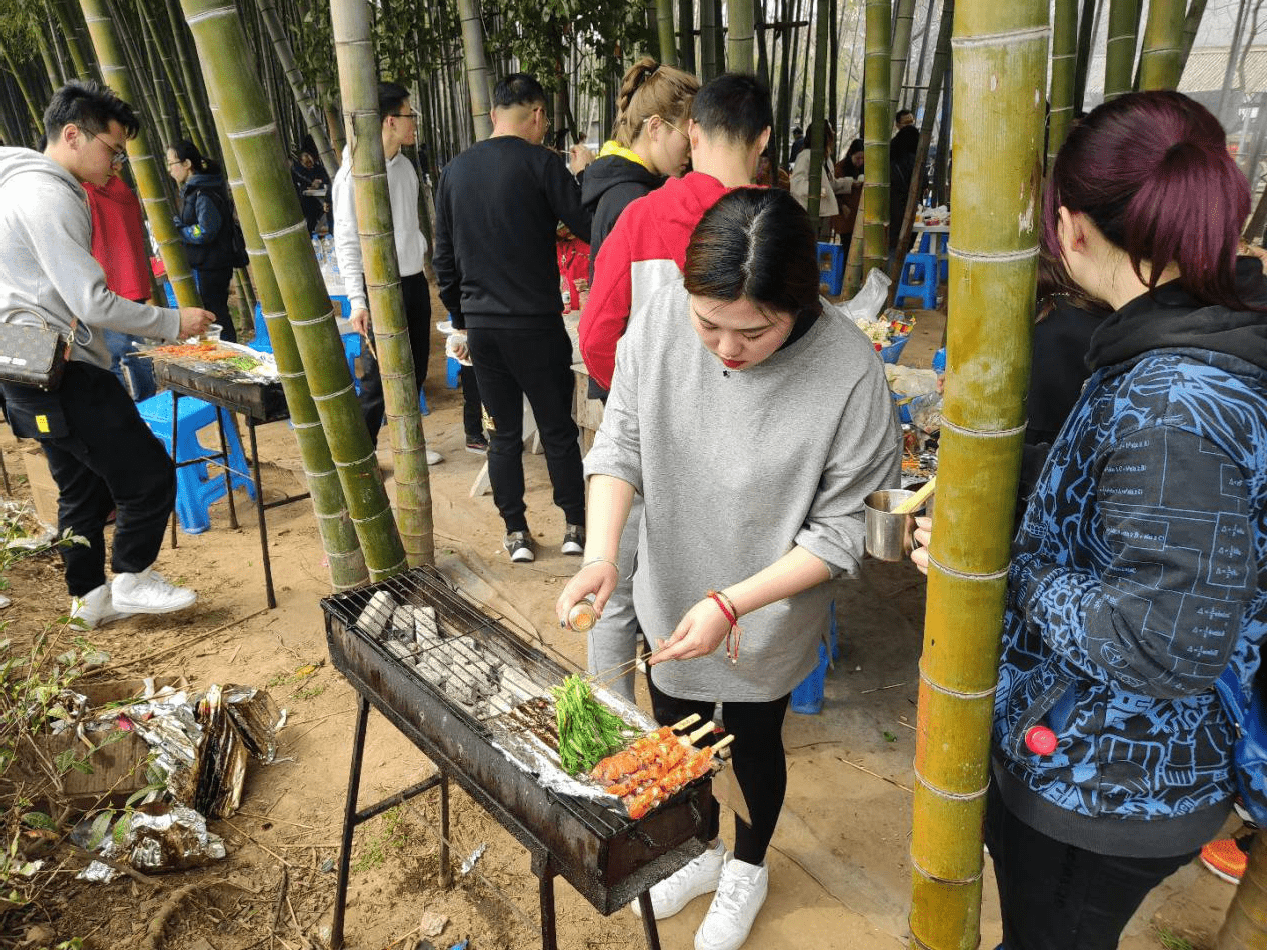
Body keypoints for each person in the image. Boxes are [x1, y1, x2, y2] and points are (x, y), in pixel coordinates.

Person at [913, 90, 1267, 950]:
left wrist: (1009, 567)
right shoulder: (1184, 342)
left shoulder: (1174, 399)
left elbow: (1162, 641)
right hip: (1100, 759)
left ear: (1069, 228)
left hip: (1108, 783)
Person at [559, 187, 900, 950]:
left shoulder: (847, 372)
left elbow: (842, 529)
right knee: (678, 739)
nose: (724, 348)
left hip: (763, 615)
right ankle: (705, 849)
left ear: (798, 306)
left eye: (752, 331)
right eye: (707, 322)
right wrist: (603, 553)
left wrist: (732, 603)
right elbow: (619, 445)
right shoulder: (659, 322)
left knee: (750, 743)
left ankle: (747, 865)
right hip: (669, 592)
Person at [578, 72, 774, 701]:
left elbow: (597, 335)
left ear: (693, 132)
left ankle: (615, 721)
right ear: (764, 139)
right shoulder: (775, 228)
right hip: (750, 449)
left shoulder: (640, 219)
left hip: (646, 446)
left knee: (613, 587)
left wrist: (639, 403)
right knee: (730, 586)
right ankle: (724, 703)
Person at [0, 80, 214, 629]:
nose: (116, 163)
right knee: (147, 478)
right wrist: (173, 322)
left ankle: (88, 599)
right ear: (72, 135)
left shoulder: (12, 185)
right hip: (62, 364)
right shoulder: (45, 194)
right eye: (112, 149)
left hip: (20, 363)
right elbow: (92, 302)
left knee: (80, 484)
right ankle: (134, 579)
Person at [433, 73, 593, 564]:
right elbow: (588, 223)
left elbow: (444, 258)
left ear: (495, 113)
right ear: (538, 114)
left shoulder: (455, 171)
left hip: (483, 329)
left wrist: (461, 320)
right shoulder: (544, 164)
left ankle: (517, 532)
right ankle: (573, 527)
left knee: (502, 432)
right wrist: (583, 173)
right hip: (538, 323)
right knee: (558, 429)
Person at [331, 81, 443, 463]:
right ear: (391, 121)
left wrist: (422, 257)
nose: (416, 123)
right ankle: (363, 457)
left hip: (412, 281)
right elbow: (345, 241)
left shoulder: (406, 167)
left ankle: (408, 444)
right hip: (378, 285)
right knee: (379, 379)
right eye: (411, 115)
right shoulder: (354, 175)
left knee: (414, 370)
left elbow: (411, 227)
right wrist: (357, 302)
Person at [581, 57, 699, 274]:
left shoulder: (622, 187)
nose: (692, 152)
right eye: (688, 137)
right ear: (655, 127)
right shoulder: (632, 198)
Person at [83, 172, 158, 400]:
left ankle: (126, 415)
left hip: (108, 286)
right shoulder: (121, 190)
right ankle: (148, 402)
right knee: (135, 350)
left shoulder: (86, 194)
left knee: (110, 358)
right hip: (133, 283)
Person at [166, 139, 240, 343]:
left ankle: (229, 357)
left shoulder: (203, 192)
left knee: (216, 315)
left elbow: (206, 229)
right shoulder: (196, 190)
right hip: (207, 263)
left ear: (187, 164)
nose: (170, 170)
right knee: (213, 314)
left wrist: (180, 230)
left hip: (212, 265)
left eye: (172, 163)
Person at [790, 119, 851, 240]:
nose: (833, 134)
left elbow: (829, 185)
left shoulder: (826, 158)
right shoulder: (806, 155)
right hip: (810, 212)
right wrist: (818, 191)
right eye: (830, 132)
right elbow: (796, 184)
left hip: (824, 213)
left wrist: (850, 183)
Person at [888, 124, 921, 252]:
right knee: (903, 247)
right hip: (906, 208)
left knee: (891, 247)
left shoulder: (889, 155)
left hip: (888, 210)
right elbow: (922, 183)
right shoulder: (914, 160)